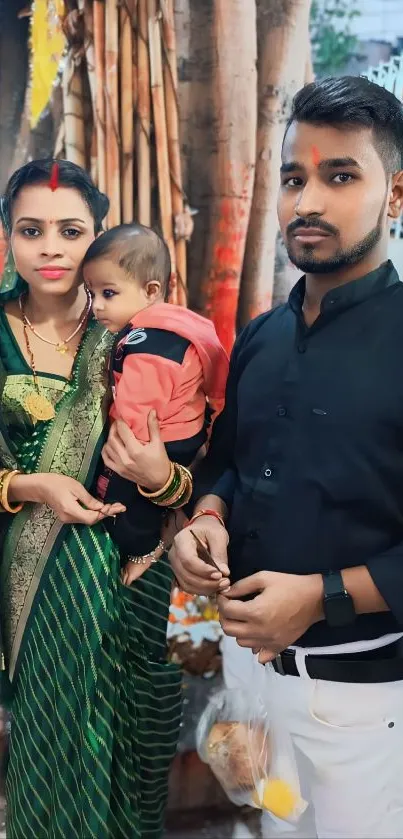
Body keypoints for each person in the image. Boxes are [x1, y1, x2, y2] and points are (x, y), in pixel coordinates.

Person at [169, 75, 403, 838]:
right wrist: (205, 516)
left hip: (365, 702)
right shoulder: (263, 335)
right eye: (293, 177)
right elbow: (232, 460)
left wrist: (321, 595)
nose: (307, 202)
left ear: (394, 195)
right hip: (252, 682)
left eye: (340, 176)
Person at [0, 158, 182, 839]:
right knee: (51, 737)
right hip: (37, 571)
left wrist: (163, 481)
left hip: (133, 565)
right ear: (8, 237)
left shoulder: (139, 334)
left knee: (131, 736)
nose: (50, 247)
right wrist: (29, 484)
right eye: (30, 229)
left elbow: (192, 449)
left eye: (71, 230)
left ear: (97, 237)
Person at [82, 223, 228, 586]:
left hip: (162, 440)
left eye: (109, 293)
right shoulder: (173, 327)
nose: (97, 305)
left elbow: (137, 414)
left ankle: (145, 547)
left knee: (124, 501)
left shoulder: (151, 343)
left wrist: (112, 438)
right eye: (91, 293)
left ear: (151, 291)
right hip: (181, 431)